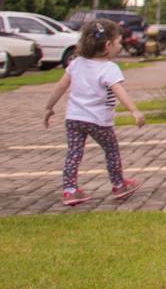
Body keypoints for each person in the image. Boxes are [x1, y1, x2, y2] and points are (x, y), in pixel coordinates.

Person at [42, 19, 144, 206]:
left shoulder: (76, 63)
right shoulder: (109, 68)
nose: (120, 46)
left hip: (74, 119)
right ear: (107, 46)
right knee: (111, 151)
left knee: (74, 153)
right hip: (98, 121)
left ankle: (70, 190)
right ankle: (119, 185)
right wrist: (134, 111)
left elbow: (60, 86)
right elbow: (119, 90)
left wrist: (49, 107)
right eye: (119, 42)